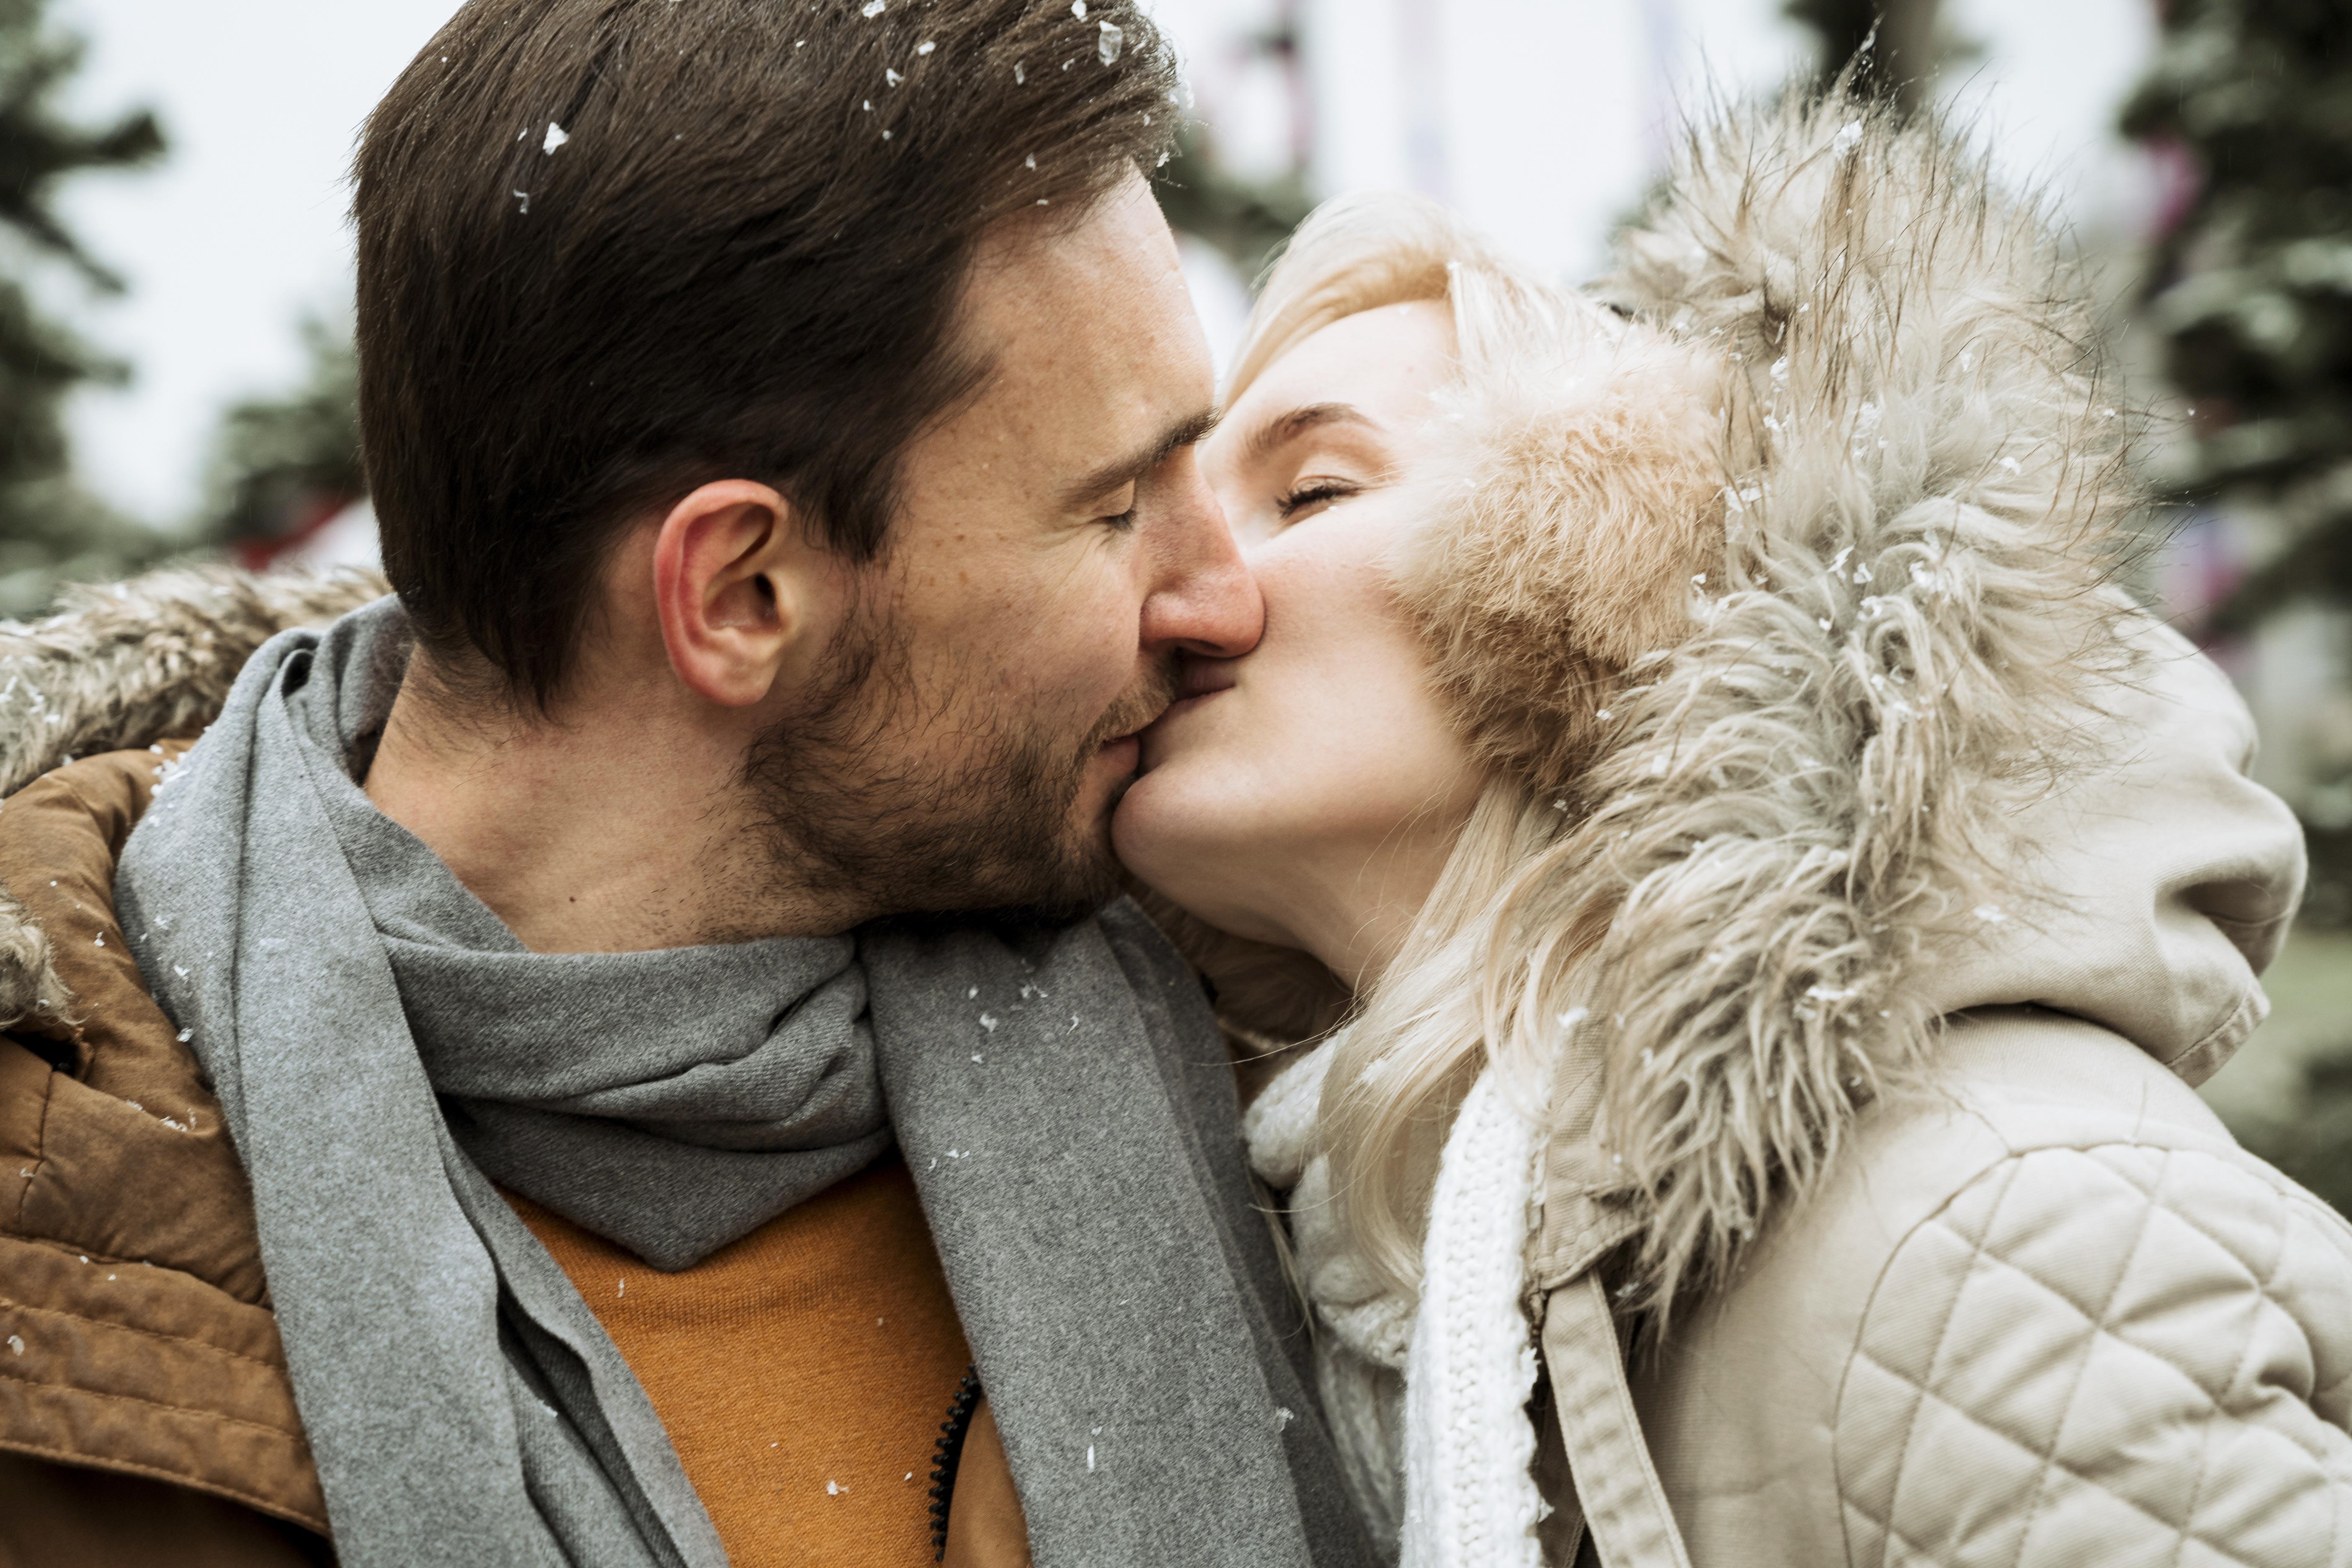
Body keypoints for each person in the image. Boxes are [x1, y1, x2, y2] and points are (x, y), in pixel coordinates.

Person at [0, 3, 1375, 1566]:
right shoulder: (48, 1247)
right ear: (740, 597)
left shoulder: (1309, 1069)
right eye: (1119, 505)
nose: (1225, 596)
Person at [1115, 96, 2352, 1565]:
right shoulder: (1371, 1289)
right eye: (1145, 523)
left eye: (1310, 489)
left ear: (1595, 573)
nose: (1184, 591)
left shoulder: (1978, 1228)